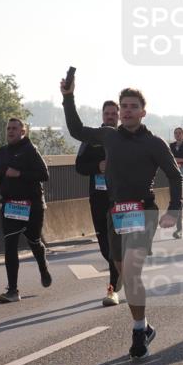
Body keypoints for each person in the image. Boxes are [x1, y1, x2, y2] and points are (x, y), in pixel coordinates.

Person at [62, 75, 183, 359]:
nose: (127, 110)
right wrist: (68, 97)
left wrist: (175, 210)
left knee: (131, 270)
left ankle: (139, 330)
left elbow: (176, 176)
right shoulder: (109, 136)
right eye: (123, 106)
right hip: (116, 212)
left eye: (132, 106)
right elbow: (77, 129)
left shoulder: (154, 143)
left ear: (143, 111)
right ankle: (145, 326)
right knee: (124, 273)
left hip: (143, 210)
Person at [0, 118, 52, 303]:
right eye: (8, 128)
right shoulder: (1, 152)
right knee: (10, 245)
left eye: (14, 128)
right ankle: (13, 290)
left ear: (23, 132)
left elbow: (44, 174)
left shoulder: (30, 150)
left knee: (34, 240)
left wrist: (20, 174)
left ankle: (43, 267)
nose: (10, 131)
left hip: (32, 204)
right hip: (10, 205)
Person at [75, 100, 122, 306]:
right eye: (107, 113)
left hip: (120, 198)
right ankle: (119, 271)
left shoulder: (124, 137)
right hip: (98, 198)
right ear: (102, 116)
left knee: (115, 245)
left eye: (114, 113)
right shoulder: (92, 138)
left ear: (118, 115)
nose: (110, 116)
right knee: (105, 246)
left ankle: (112, 289)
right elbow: (79, 166)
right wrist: (97, 166)